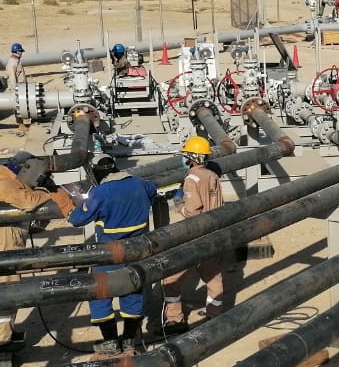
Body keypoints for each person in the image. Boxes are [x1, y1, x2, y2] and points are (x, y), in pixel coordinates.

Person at [0, 152, 74, 346]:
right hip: (3, 242)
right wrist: (48, 193)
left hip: (7, 238)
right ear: (25, 169)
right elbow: (28, 201)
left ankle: (5, 333)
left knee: (11, 288)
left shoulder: (9, 178)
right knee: (6, 290)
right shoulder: (4, 183)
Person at [67, 155, 159, 355]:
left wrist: (74, 205)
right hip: (135, 251)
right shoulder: (139, 183)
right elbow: (153, 190)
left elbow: (77, 219)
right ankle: (128, 341)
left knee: (100, 294)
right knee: (133, 292)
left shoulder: (100, 192)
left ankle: (110, 342)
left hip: (108, 254)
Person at [162, 136, 230, 333]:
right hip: (214, 233)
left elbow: (192, 212)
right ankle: (214, 316)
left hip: (195, 235)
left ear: (192, 157)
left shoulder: (192, 179)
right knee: (213, 277)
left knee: (170, 278)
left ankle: (175, 320)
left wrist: (178, 203)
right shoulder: (212, 176)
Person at [6, 43, 30, 135]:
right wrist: (16, 90)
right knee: (18, 107)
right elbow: (12, 78)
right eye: (21, 51)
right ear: (17, 52)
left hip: (21, 88)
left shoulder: (16, 61)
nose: (22, 53)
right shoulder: (12, 63)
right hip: (17, 89)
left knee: (23, 106)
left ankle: (24, 123)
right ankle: (20, 124)